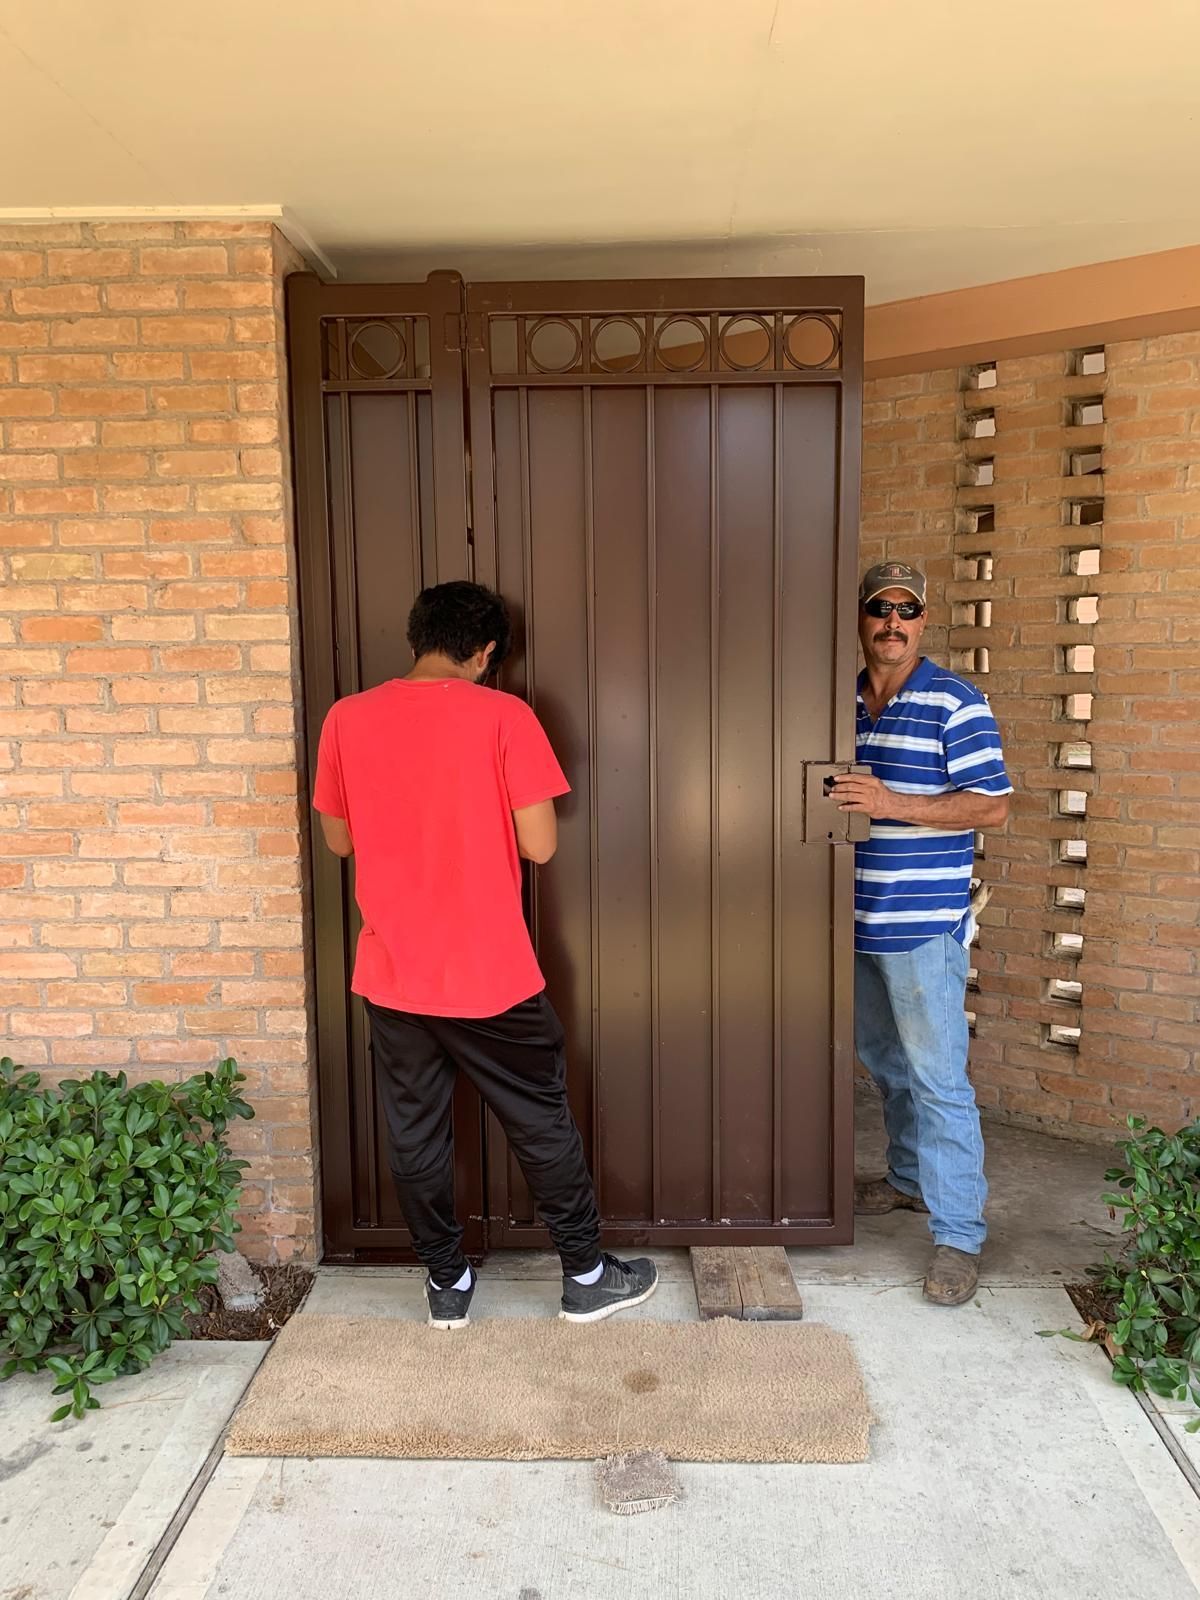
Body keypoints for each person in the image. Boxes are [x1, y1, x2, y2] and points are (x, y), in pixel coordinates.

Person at [312, 580, 657, 1330]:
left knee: (414, 1132)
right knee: (539, 1120)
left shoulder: (347, 718)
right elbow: (539, 845)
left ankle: (445, 1284)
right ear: (486, 652)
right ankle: (587, 1276)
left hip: (394, 969)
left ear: (416, 638)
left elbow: (338, 840)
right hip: (489, 971)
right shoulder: (506, 715)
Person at [832, 561, 1012, 1307]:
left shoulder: (954, 700)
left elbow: (992, 806)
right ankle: (908, 1180)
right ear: (864, 618)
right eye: (881, 608)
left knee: (939, 1079)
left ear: (924, 622)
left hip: (922, 927)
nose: (893, 623)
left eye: (907, 610)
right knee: (886, 1062)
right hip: (853, 922)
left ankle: (959, 1235)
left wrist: (890, 802)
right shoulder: (843, 701)